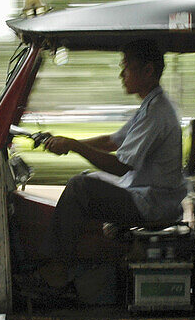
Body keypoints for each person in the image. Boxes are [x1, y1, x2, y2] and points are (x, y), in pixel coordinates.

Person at [38, 39, 186, 286]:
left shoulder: (156, 113)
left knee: (80, 187)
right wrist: (66, 142)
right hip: (148, 195)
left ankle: (58, 267)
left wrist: (74, 145)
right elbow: (111, 140)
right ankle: (95, 255)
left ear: (148, 71)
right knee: (88, 178)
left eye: (126, 67)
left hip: (153, 203)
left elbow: (120, 166)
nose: (121, 75)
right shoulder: (151, 105)